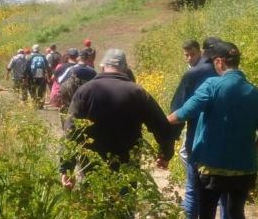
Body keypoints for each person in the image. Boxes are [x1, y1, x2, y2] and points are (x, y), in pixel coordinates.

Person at [168, 41, 258, 219]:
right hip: (244, 168)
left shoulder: (212, 86)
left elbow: (185, 112)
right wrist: (249, 152)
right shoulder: (257, 94)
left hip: (211, 166)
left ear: (219, 62)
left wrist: (160, 122)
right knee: (236, 212)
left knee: (206, 215)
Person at [61, 48, 174, 189]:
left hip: (92, 166)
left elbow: (71, 130)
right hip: (126, 166)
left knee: (93, 204)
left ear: (102, 67)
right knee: (124, 205)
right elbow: (161, 126)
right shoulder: (137, 92)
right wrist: (165, 154)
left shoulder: (85, 91)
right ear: (125, 69)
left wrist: (66, 168)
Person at [170, 38, 230, 219]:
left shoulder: (193, 74)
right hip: (224, 141)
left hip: (198, 142)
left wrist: (167, 145)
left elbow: (178, 112)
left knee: (193, 191)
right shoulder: (231, 74)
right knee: (224, 189)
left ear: (203, 52)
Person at [26, 44, 51, 108]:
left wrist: (26, 76)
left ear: (32, 49)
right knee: (41, 90)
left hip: (32, 76)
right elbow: (48, 67)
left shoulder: (29, 57)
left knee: (32, 89)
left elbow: (26, 67)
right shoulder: (43, 56)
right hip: (41, 76)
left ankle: (34, 103)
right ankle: (40, 104)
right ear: (39, 49)